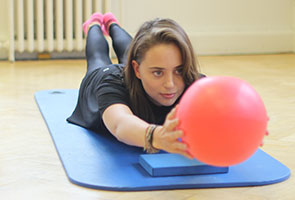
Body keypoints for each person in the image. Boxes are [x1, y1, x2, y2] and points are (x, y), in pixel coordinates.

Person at [67, 12, 205, 159]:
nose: (170, 84)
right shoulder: (112, 84)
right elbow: (120, 124)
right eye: (158, 73)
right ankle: (93, 24)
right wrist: (156, 136)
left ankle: (112, 24)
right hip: (104, 77)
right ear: (137, 69)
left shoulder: (193, 84)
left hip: (138, 71)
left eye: (179, 70)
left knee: (130, 51)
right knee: (98, 58)